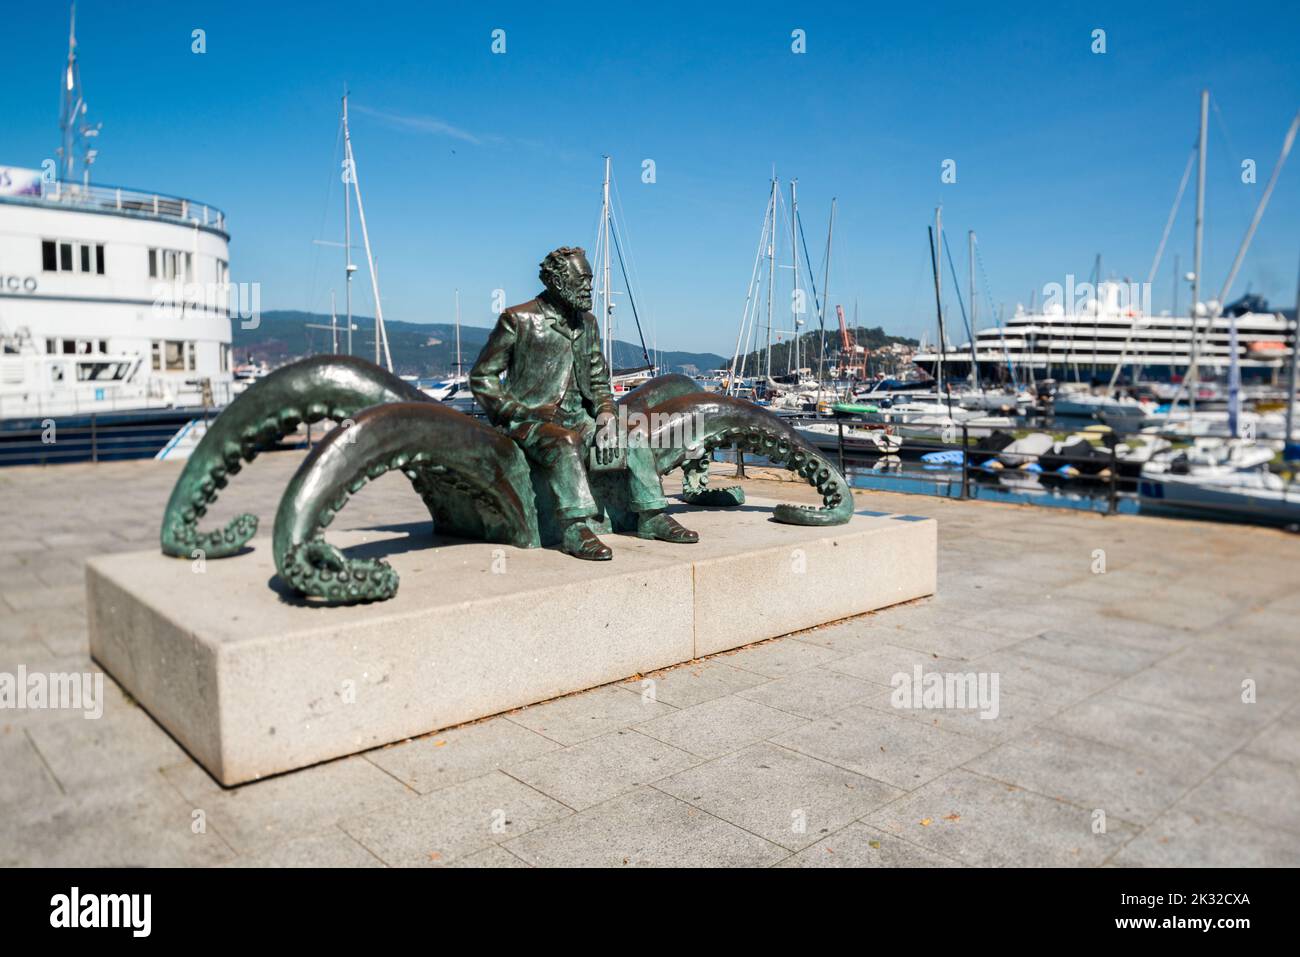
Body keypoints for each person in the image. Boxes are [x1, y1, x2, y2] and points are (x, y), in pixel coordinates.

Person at [470, 246, 698, 560]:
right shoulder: (518, 319)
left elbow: (598, 377)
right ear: (557, 282)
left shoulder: (587, 323)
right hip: (531, 421)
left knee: (633, 436)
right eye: (582, 280)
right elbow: (483, 378)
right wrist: (518, 411)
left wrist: (605, 413)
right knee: (565, 442)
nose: (589, 287)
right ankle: (575, 527)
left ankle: (652, 516)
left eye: (590, 279)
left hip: (579, 416)